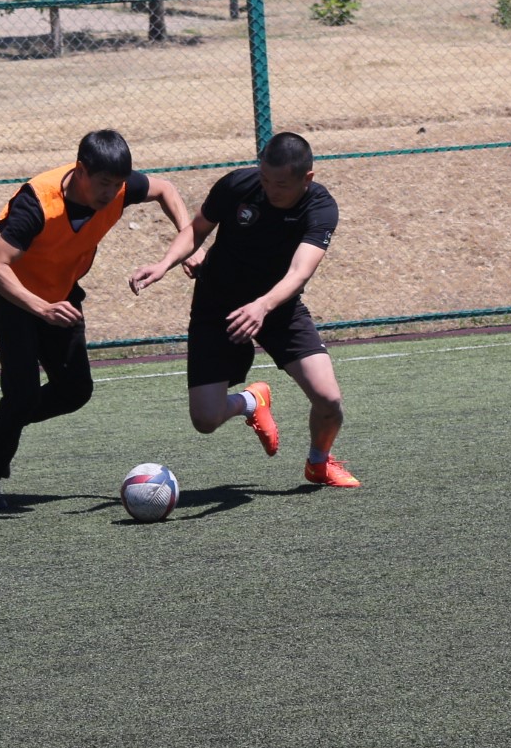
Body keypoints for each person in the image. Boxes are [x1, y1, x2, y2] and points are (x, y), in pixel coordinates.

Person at [0, 129, 189, 510]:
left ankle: (1, 422)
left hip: (60, 293)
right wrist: (41, 308)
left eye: (119, 184)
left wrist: (188, 238)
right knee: (22, 393)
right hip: (15, 298)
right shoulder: (37, 204)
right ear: (80, 170)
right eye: (104, 183)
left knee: (75, 391)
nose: (112, 192)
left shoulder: (120, 189)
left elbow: (165, 189)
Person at [129, 131, 359, 487]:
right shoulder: (238, 184)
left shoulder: (320, 207)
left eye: (280, 184)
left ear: (307, 178)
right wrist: (164, 264)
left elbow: (299, 272)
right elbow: (197, 230)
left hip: (278, 308)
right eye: (265, 178)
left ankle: (319, 462)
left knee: (329, 400)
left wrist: (263, 305)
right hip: (217, 304)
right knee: (205, 420)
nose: (269, 189)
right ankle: (252, 401)